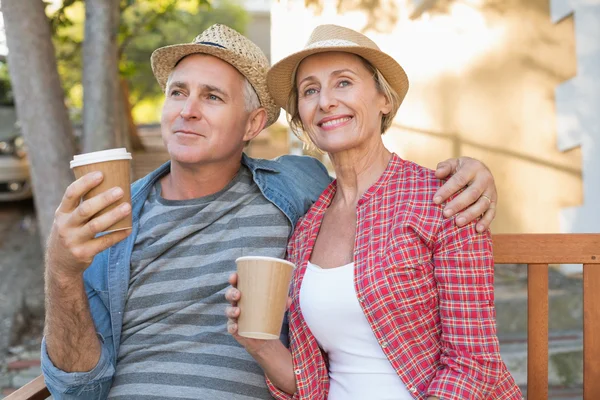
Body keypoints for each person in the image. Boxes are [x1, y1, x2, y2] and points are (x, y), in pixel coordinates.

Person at [41, 24, 498, 400]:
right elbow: (75, 387)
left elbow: (474, 363)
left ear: (255, 124)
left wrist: (476, 173)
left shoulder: (296, 192)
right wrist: (62, 271)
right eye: (178, 93)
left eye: (213, 97)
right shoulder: (115, 214)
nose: (188, 111)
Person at [225, 24, 521, 400]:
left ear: (384, 98)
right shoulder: (306, 227)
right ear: (301, 115)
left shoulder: (445, 197)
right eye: (310, 90)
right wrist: (260, 344)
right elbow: (314, 386)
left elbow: (474, 364)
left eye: (344, 83)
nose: (326, 101)